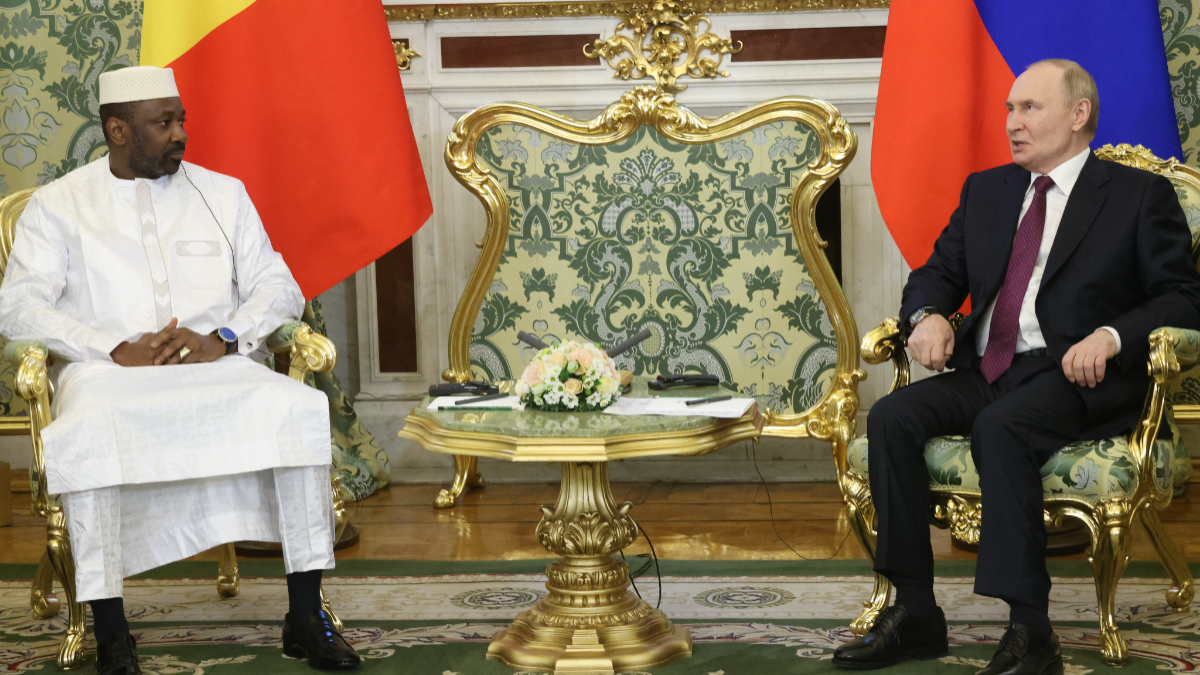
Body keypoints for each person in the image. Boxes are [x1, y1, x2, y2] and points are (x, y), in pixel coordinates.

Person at [832, 59, 1200, 675]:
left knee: (1001, 427)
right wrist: (927, 315)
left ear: (1078, 114)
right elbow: (936, 274)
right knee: (892, 416)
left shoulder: (1137, 195)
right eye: (1009, 108)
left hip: (1081, 376)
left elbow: (1182, 297)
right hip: (993, 367)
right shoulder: (988, 190)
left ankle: (1032, 632)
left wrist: (1111, 337)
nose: (1012, 122)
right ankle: (915, 611)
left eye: (1029, 107)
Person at [0, 66, 361, 674]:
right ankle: (112, 632)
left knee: (294, 407)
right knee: (91, 428)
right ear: (118, 130)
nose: (180, 134)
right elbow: (18, 306)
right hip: (106, 374)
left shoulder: (224, 195)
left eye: (181, 119)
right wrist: (113, 346)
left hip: (216, 365)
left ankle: (306, 616)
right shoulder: (60, 204)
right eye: (163, 123)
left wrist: (224, 337)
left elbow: (278, 285)